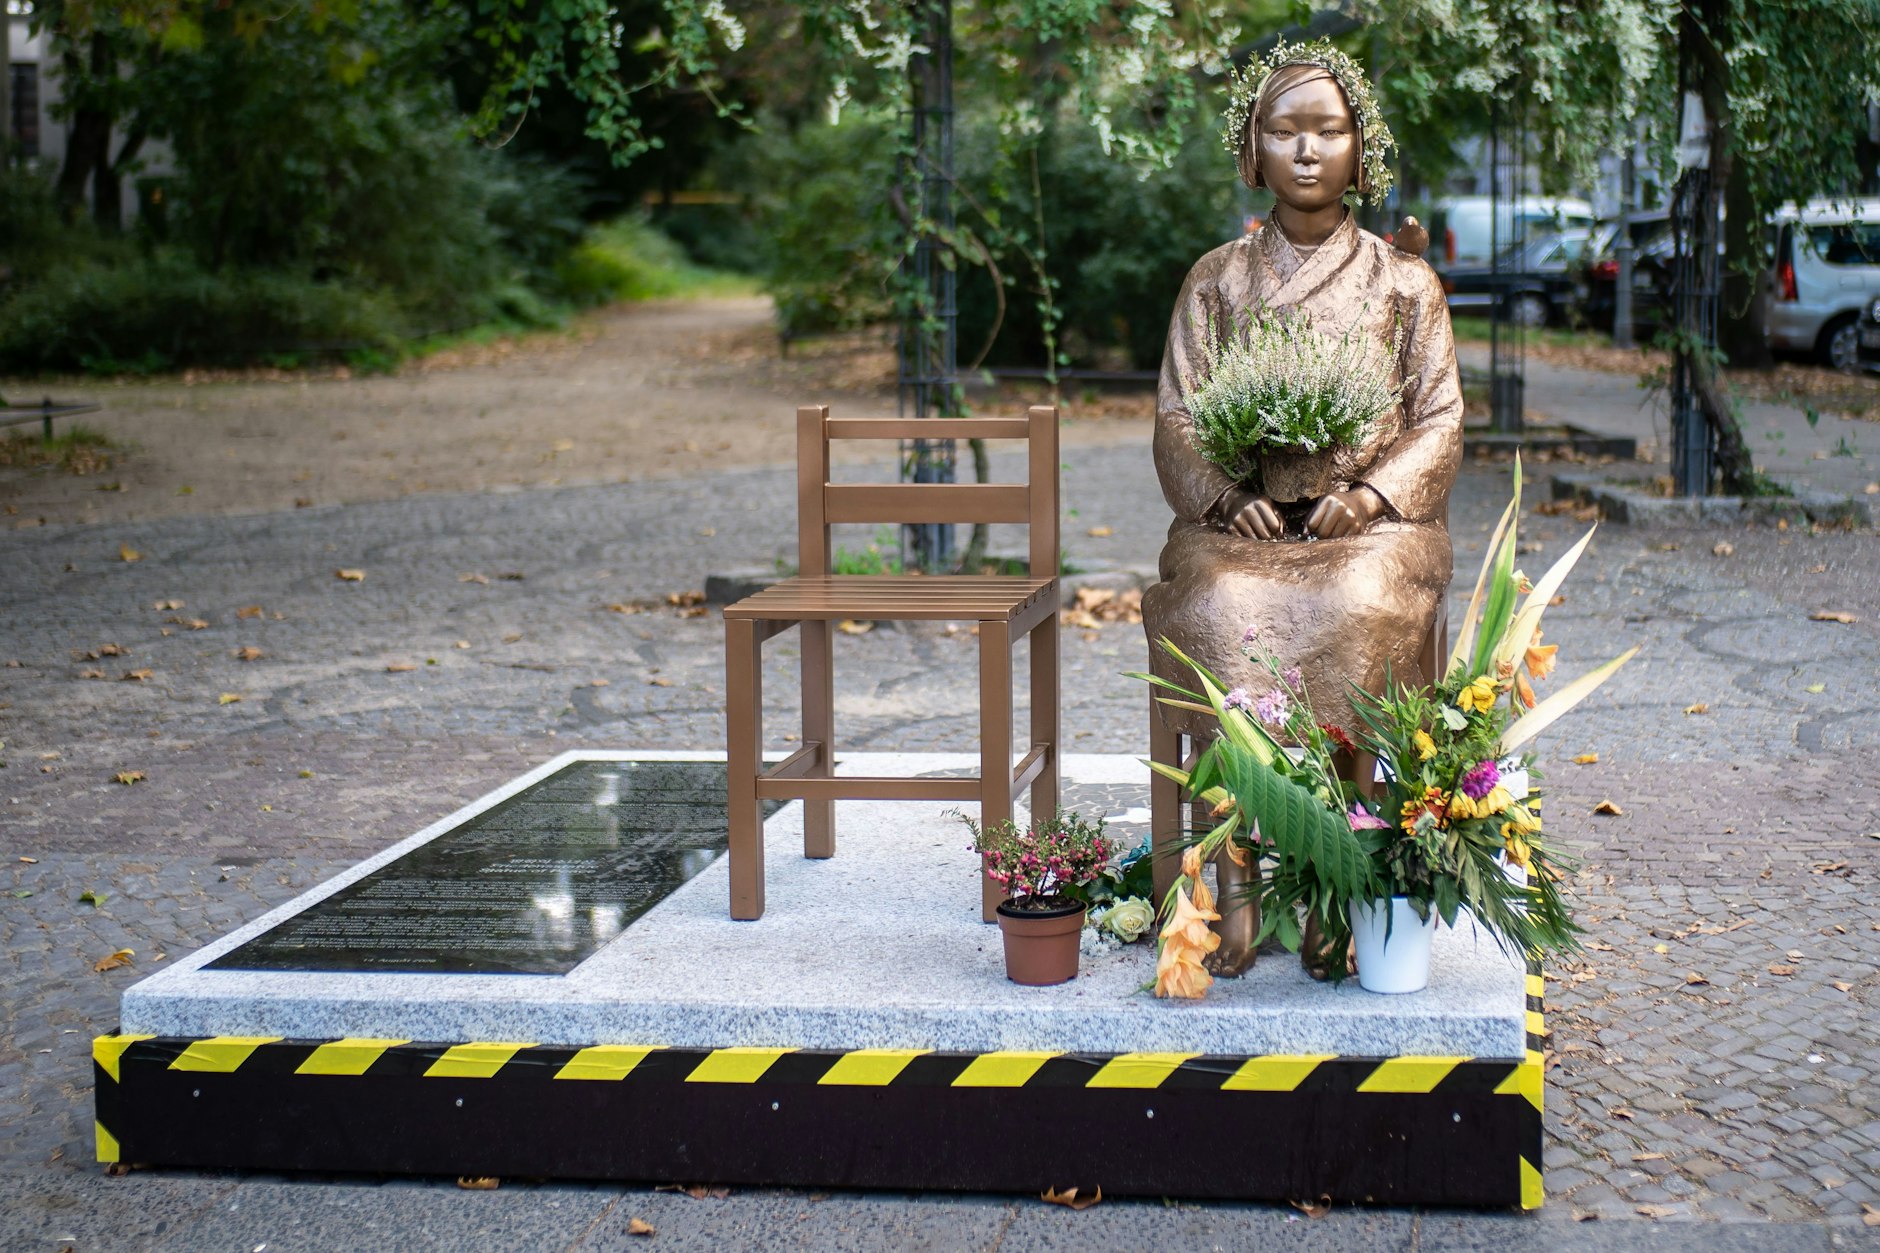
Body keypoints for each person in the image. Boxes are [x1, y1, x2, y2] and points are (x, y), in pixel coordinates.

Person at [1142, 40, 1462, 975]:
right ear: (1254, 150)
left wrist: (1368, 492)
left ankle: (1338, 874)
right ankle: (1232, 878)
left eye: (1330, 130)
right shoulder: (1217, 278)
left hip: (1373, 534)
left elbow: (1440, 418)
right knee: (1220, 601)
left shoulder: (1406, 283)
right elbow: (1175, 414)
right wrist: (1226, 492)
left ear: (1364, 148)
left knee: (1357, 603)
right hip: (1238, 531)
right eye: (1286, 131)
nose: (1310, 150)